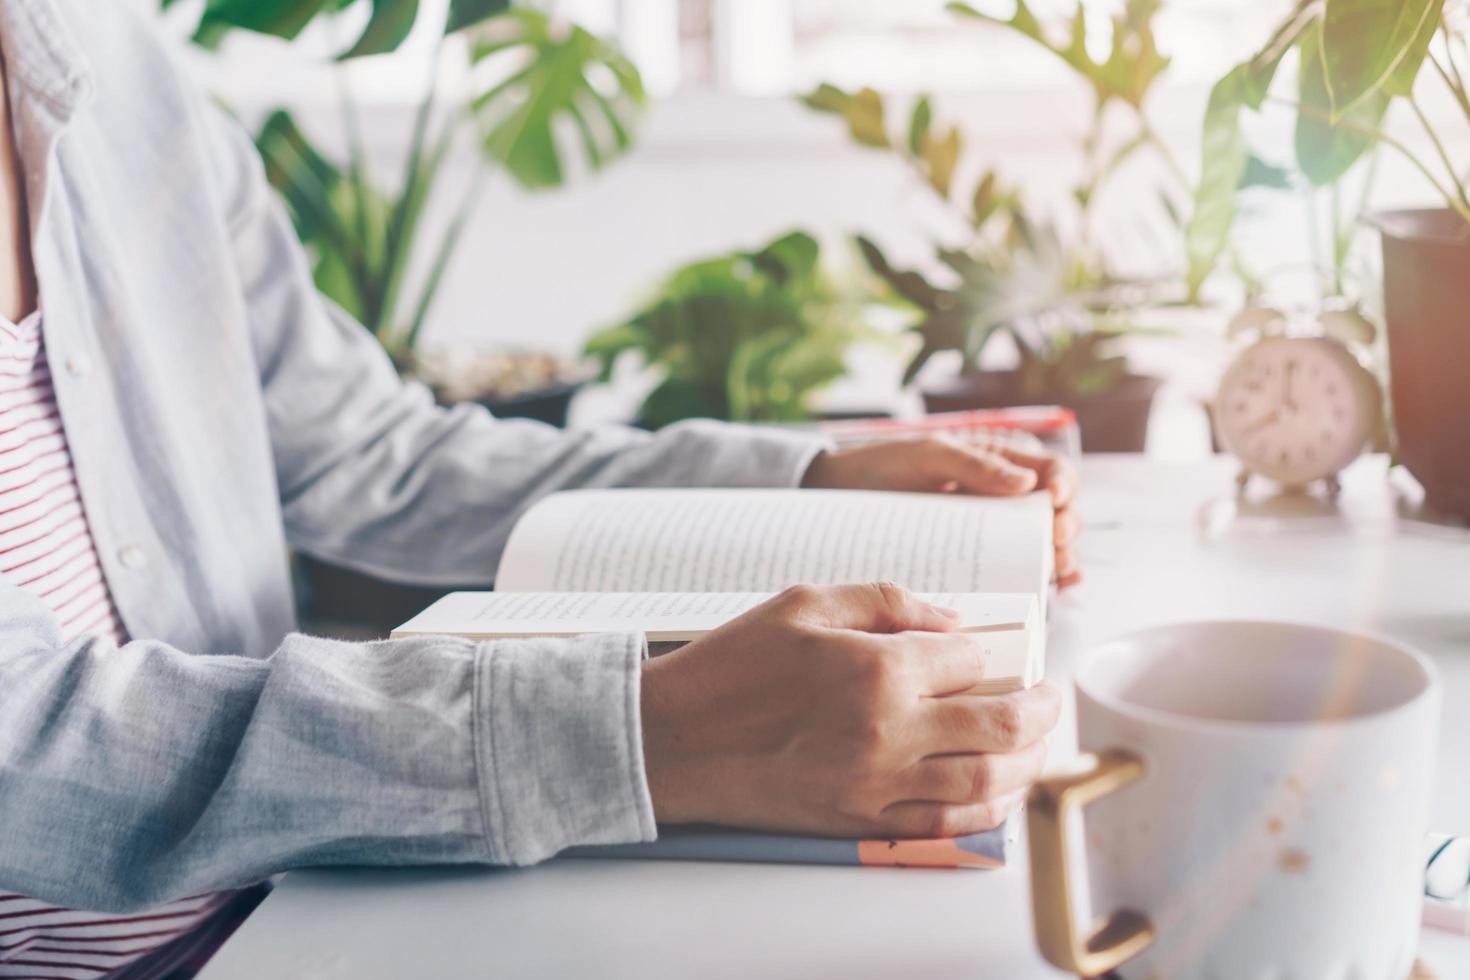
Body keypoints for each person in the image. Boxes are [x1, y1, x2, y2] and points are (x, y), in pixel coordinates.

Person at [0, 2, 1074, 976]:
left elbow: (375, 453)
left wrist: (803, 473)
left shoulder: (117, 72)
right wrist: (641, 731)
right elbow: (30, 739)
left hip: (301, 898)